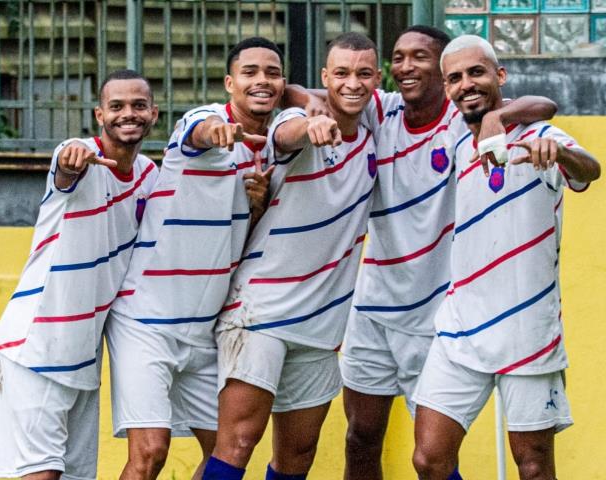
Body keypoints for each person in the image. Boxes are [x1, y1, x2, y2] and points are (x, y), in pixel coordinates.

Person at [343, 26, 558, 480]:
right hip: (373, 304)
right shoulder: (380, 112)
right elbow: (314, 94)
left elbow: (541, 105)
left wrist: (502, 118)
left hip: (436, 314)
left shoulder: (460, 122)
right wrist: (309, 107)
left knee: (436, 454)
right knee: (361, 437)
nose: (405, 67)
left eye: (420, 57)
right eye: (398, 57)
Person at [411, 35, 600, 480]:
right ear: (446, 87)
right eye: (454, 78)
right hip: (461, 326)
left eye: (476, 72)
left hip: (528, 330)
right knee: (429, 458)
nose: (466, 84)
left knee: (533, 466)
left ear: (499, 75)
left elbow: (590, 167)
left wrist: (561, 154)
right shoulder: (455, 137)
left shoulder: (538, 135)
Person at [105, 37, 290, 480]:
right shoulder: (204, 120)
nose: (261, 80)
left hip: (204, 330)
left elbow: (233, 242)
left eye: (272, 72)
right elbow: (199, 131)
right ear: (230, 82)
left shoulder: (269, 151)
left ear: (283, 83)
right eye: (250, 72)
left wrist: (258, 206)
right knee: (150, 452)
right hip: (145, 322)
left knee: (228, 452)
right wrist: (217, 132)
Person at [203, 32, 380, 480]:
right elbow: (284, 133)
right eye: (340, 74)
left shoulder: (379, 131)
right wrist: (311, 122)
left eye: (363, 74)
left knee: (299, 454)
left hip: (322, 324)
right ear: (325, 78)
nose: (352, 84)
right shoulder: (298, 120)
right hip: (261, 312)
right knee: (238, 441)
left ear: (378, 79)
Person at [0, 69, 159, 480]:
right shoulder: (82, 154)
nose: (128, 114)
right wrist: (70, 161)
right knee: (39, 474)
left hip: (85, 358)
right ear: (99, 115)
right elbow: (66, 164)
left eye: (138, 105)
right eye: (116, 106)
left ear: (154, 114)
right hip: (36, 350)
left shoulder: (151, 176)